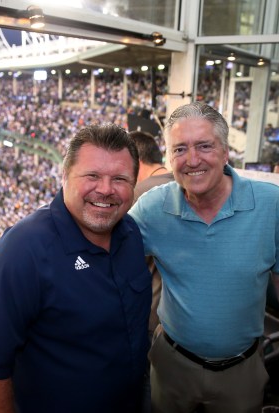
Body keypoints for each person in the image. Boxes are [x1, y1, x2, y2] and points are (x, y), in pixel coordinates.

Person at [0, 124, 152, 413]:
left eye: (119, 178)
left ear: (134, 183)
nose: (105, 189)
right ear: (65, 176)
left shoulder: (130, 233)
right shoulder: (21, 250)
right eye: (92, 175)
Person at [129, 102, 279, 413]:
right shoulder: (151, 209)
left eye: (204, 146)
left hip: (242, 372)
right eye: (179, 149)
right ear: (169, 157)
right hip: (171, 366)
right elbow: (108, 257)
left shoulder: (269, 204)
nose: (192, 160)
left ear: (226, 151)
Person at [129, 130, 174, 413]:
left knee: (145, 388)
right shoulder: (181, 186)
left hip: (150, 315)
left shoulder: (142, 195)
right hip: (176, 322)